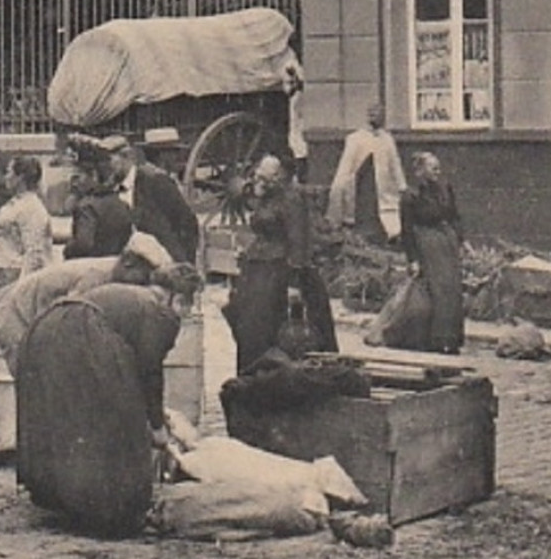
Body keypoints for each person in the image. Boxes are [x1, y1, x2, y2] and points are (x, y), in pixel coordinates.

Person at [15, 261, 204, 537]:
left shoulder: (130, 295)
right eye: (187, 304)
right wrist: (156, 426)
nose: (186, 313)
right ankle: (110, 508)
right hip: (82, 337)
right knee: (116, 420)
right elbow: (149, 371)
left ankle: (61, 496)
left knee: (67, 419)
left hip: (46, 329)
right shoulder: (160, 313)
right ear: (178, 298)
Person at [0, 231, 171, 376]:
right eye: (144, 276)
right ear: (129, 263)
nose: (142, 285)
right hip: (16, 317)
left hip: (30, 315)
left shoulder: (110, 273)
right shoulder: (96, 276)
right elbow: (68, 318)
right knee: (36, 384)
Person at [224, 155, 337, 375]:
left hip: (281, 271)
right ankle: (253, 376)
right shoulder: (266, 197)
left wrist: (295, 283)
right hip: (258, 269)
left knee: (277, 330)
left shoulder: (292, 198)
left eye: (263, 178)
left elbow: (298, 241)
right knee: (249, 326)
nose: (257, 182)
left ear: (277, 177)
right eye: (257, 176)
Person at [399, 151, 467, 354]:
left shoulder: (445, 188)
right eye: (432, 167)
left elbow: (454, 216)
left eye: (438, 166)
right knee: (436, 292)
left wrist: (461, 241)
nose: (438, 170)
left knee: (452, 290)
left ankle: (452, 338)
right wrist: (413, 259)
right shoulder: (410, 195)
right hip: (426, 245)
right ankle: (434, 340)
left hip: (447, 243)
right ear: (420, 171)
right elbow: (407, 229)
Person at [327, 102, 407, 243]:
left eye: (380, 114)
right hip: (362, 189)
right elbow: (346, 167)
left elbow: (395, 165)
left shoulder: (387, 139)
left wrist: (402, 187)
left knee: (391, 224)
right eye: (373, 114)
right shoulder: (355, 139)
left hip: (384, 191)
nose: (377, 117)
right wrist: (339, 191)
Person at [117, 132, 201, 265]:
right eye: (174, 153)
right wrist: (186, 258)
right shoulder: (160, 180)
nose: (177, 158)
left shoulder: (140, 176)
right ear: (163, 155)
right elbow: (186, 221)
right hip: (167, 251)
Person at [0, 156, 54, 303]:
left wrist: (21, 289)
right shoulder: (15, 203)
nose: (5, 177)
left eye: (9, 172)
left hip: (11, 275)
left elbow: (34, 252)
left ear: (20, 177)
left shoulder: (32, 208)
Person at [62, 140, 133, 259]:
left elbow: (83, 244)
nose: (74, 182)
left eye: (79, 176)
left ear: (94, 175)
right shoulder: (121, 203)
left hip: (90, 270)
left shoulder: (87, 206)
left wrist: (68, 249)